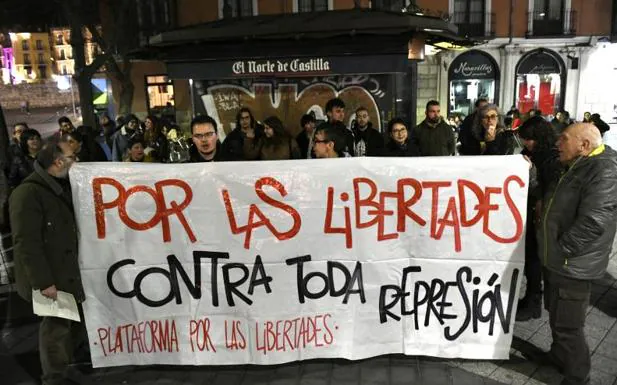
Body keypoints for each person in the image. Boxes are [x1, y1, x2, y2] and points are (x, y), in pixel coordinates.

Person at [538, 123, 617, 385]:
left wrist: (562, 249)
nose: (557, 144)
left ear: (584, 145)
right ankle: (559, 356)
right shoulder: (579, 164)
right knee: (557, 314)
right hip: (561, 260)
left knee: (569, 325)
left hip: (572, 264)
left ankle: (577, 376)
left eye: (564, 139)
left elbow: (595, 221)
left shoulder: (604, 170)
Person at [9, 141, 85, 385]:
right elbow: (26, 244)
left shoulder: (56, 186)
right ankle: (54, 378)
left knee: (67, 324)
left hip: (64, 271)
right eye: (74, 157)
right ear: (58, 162)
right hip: (50, 277)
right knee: (55, 327)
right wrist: (44, 282)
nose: (77, 161)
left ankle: (66, 367)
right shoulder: (27, 194)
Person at [515, 116, 560, 321]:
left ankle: (534, 301)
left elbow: (548, 190)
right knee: (529, 257)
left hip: (539, 215)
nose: (526, 143)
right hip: (528, 212)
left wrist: (531, 174)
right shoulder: (530, 154)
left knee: (533, 258)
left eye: (530, 139)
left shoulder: (551, 159)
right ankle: (531, 297)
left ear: (540, 138)